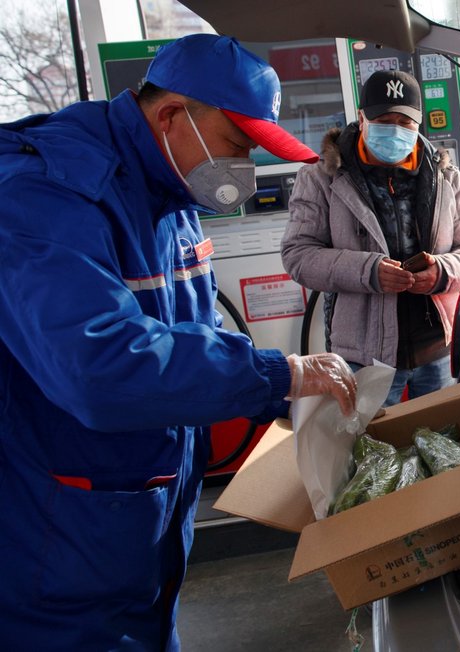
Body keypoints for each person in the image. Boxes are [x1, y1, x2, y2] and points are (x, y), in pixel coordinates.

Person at [0, 34, 357, 650]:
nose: (242, 169)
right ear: (170, 115)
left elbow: (195, 331)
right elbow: (101, 365)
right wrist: (278, 374)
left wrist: (289, 395)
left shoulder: (171, 192)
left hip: (142, 529)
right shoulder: (46, 193)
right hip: (56, 550)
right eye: (236, 145)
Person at [281, 69, 460, 406]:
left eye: (405, 123)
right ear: (362, 118)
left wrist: (443, 271)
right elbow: (298, 255)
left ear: (419, 124)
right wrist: (369, 271)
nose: (395, 130)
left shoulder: (446, 176)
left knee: (444, 443)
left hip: (436, 347)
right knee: (369, 446)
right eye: (384, 119)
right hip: (363, 356)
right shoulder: (320, 178)